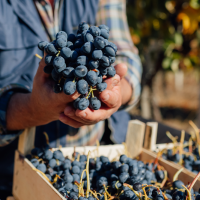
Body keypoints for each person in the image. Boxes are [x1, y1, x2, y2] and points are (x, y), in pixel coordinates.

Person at [0, 0, 142, 199]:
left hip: (96, 161)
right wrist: (31, 110)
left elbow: (125, 56)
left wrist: (119, 91)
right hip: (18, 174)